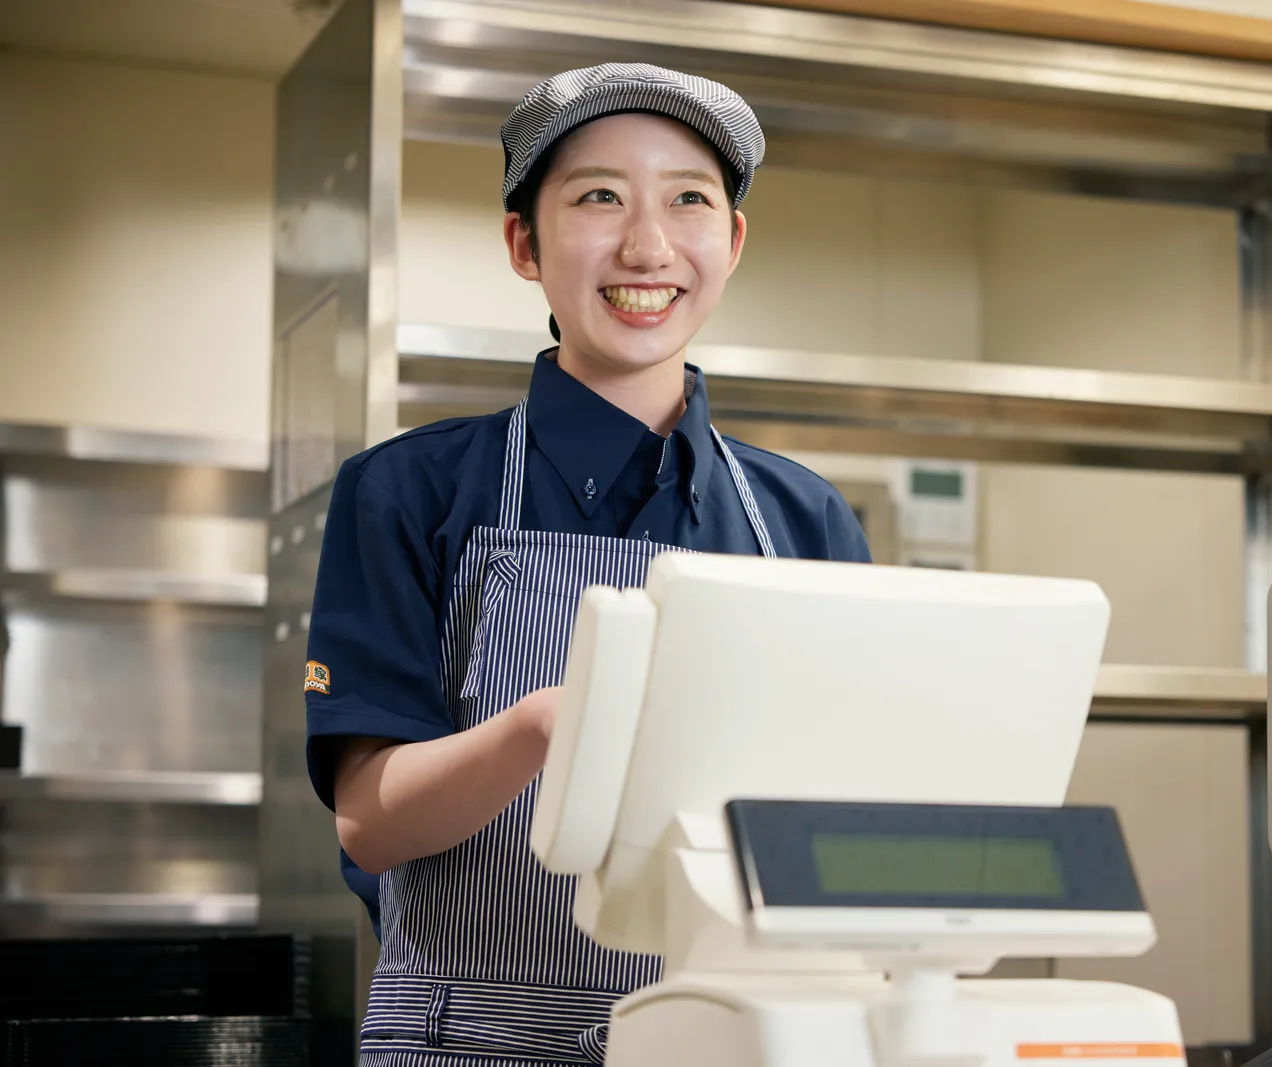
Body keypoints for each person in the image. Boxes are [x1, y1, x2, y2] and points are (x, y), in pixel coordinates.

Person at [302, 64, 871, 1065]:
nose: (646, 245)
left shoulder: (803, 516)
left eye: (688, 198)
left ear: (730, 243)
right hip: (466, 1037)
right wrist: (547, 723)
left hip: (738, 1037)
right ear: (525, 243)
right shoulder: (410, 490)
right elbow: (369, 822)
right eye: (598, 196)